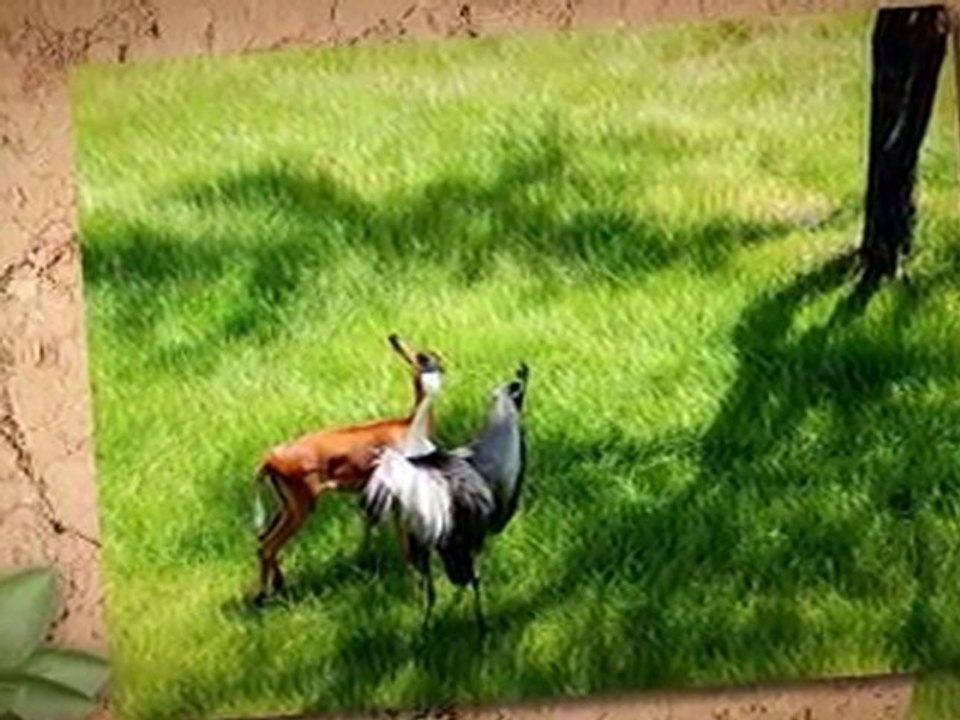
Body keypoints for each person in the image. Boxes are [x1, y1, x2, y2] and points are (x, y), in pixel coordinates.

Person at [859, 5, 951, 287]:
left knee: (905, 136)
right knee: (896, 138)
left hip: (925, 22)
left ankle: (892, 241)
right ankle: (884, 248)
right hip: (906, 22)